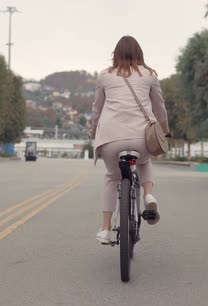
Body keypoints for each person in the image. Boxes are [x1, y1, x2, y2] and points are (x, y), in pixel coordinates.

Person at [89, 36, 170, 244]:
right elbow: (160, 108)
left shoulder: (104, 76)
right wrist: (165, 129)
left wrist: (93, 128)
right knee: (145, 161)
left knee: (112, 177)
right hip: (141, 138)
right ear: (139, 53)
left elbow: (97, 108)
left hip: (110, 139)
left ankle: (106, 229)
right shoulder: (149, 75)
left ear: (115, 54)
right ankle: (148, 195)